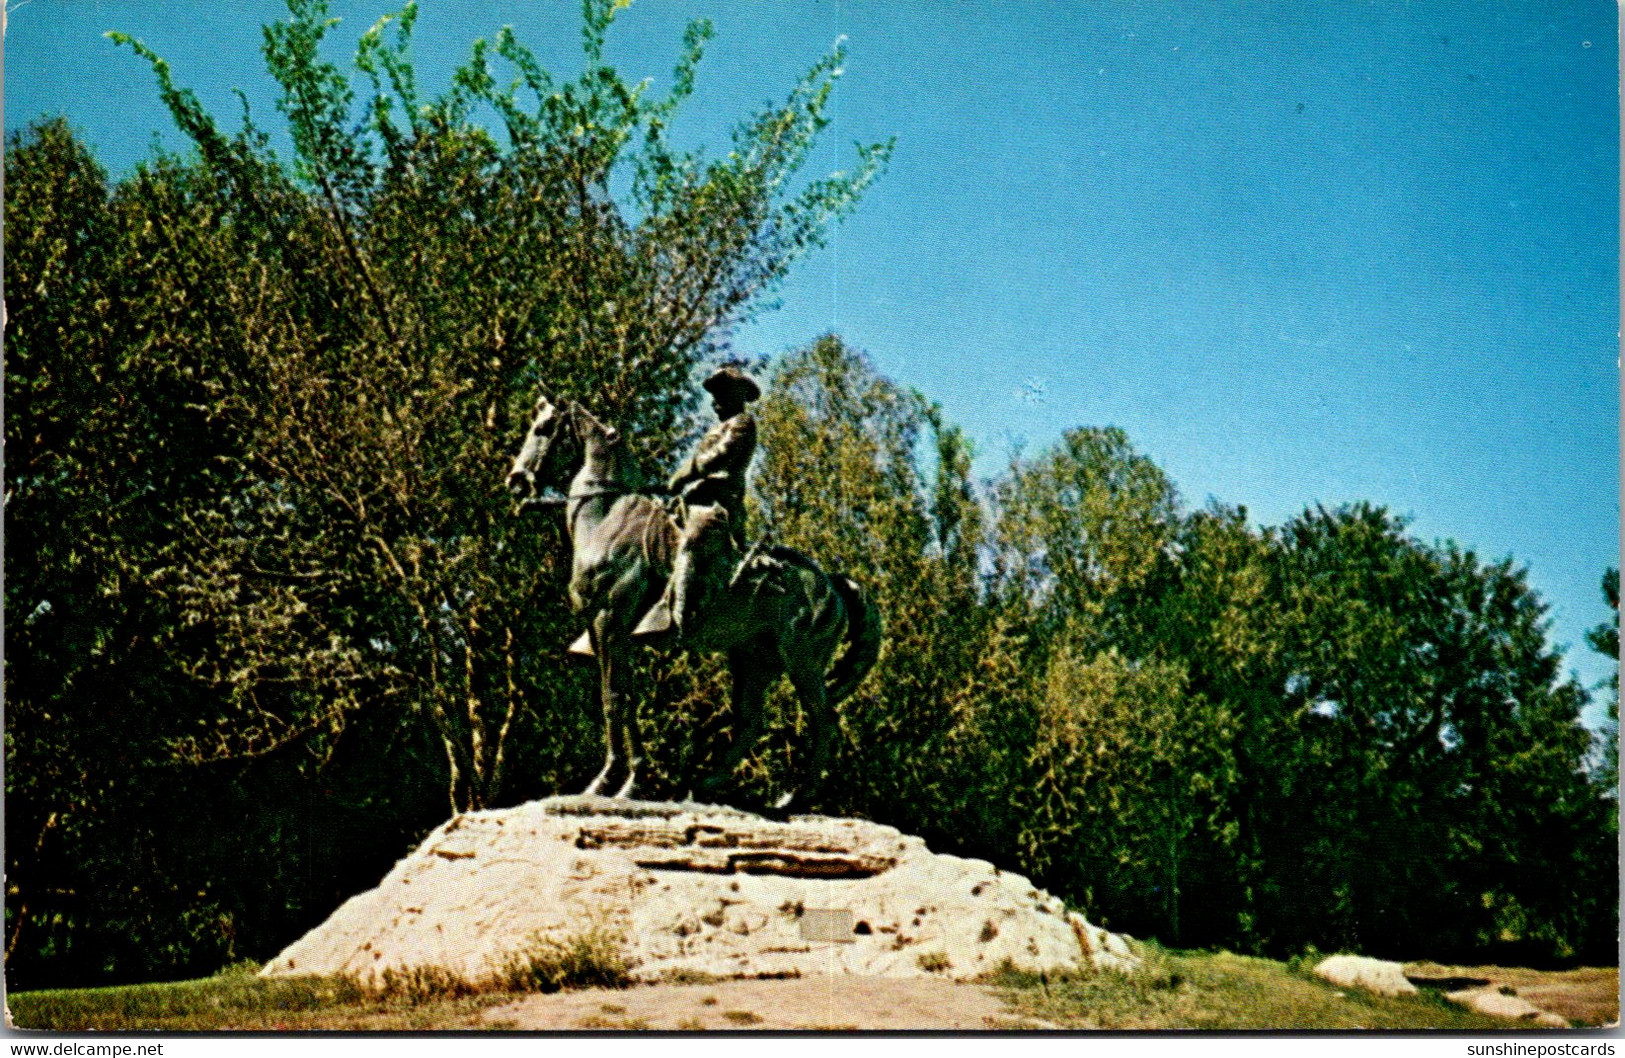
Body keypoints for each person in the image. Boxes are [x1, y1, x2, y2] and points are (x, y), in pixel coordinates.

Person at [666, 364, 761, 549]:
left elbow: (719, 456)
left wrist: (682, 475)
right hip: (698, 496)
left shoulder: (742, 422)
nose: (714, 402)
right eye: (714, 395)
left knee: (694, 545)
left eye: (721, 393)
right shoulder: (718, 428)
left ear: (736, 393)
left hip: (721, 501)